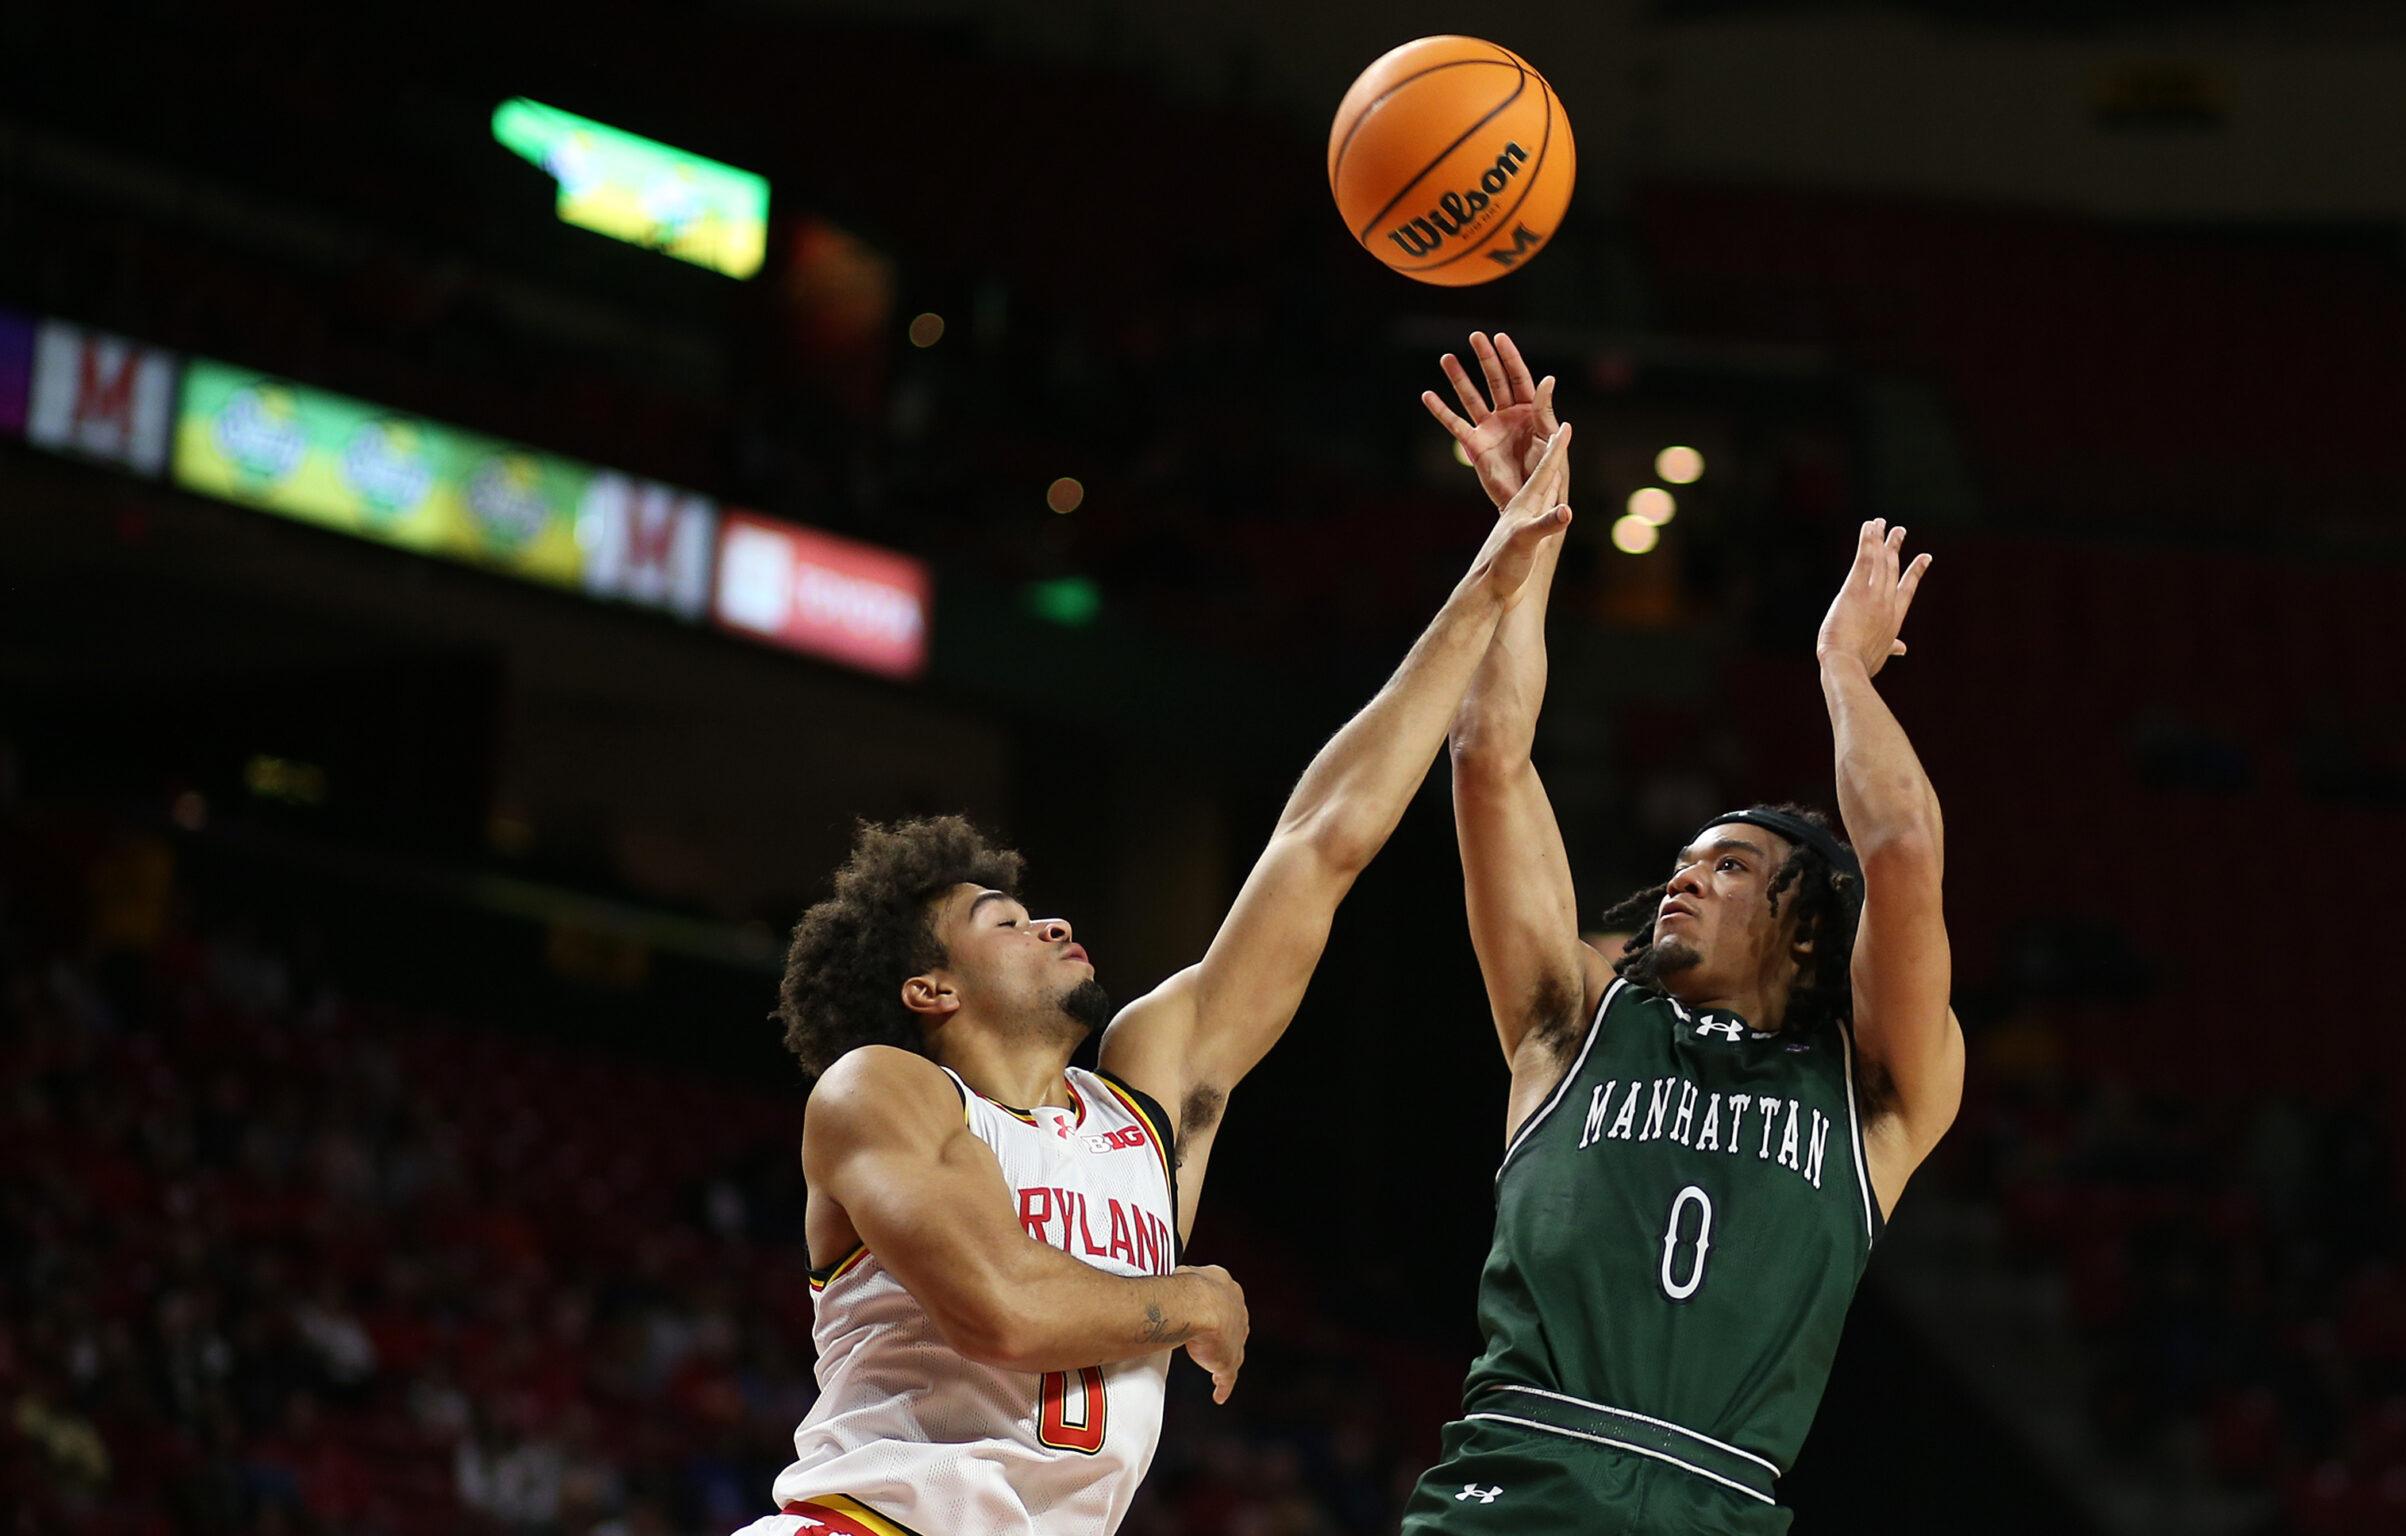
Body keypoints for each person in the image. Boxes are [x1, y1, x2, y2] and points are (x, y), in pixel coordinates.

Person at [736, 426, 1578, 1536]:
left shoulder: (1145, 1097)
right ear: (928, 992)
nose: (1052, 921)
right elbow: (1000, 1308)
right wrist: (1188, 1295)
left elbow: (1319, 841)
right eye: (1003, 919)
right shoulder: (878, 1092)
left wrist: (1493, 576)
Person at [1402, 334, 1965, 1533]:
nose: (1681, 882)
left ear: (1807, 927)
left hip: (1720, 1502)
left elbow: (1904, 851)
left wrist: (1841, 670)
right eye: (1678, 862)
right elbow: (1486, 759)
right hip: (1522, 1482)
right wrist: (1522, 548)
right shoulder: (1571, 1023)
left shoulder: (1873, 1097)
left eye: (1728, 866)